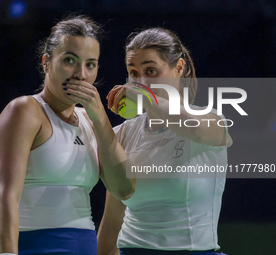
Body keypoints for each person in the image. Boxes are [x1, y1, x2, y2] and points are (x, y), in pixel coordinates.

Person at [0, 15, 135, 255]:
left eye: (90, 64)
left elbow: (123, 189)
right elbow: (6, 197)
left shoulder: (91, 120)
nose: (81, 74)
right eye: (70, 60)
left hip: (86, 247)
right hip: (37, 248)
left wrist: (100, 119)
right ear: (47, 62)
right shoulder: (26, 110)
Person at [97, 28, 232, 255]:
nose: (140, 81)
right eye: (133, 72)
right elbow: (112, 219)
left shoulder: (212, 121)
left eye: (151, 70)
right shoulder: (122, 133)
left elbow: (196, 129)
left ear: (178, 68)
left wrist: (145, 96)